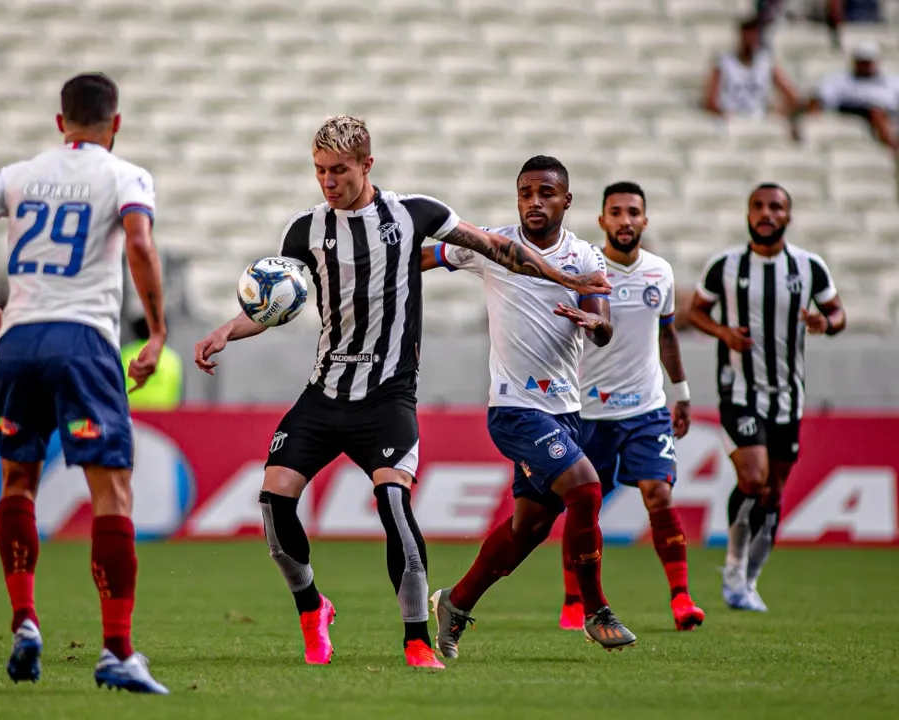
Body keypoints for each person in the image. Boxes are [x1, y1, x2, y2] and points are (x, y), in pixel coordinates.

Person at [192, 117, 611, 670]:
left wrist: (569, 280)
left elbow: (497, 247)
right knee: (273, 503)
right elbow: (275, 302)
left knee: (393, 501)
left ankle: (416, 638)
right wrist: (228, 329)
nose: (328, 182)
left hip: (389, 397)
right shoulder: (303, 230)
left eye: (339, 170)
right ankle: (313, 607)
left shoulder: (414, 214)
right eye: (319, 171)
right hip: (324, 392)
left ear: (367, 164)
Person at [0, 73, 169, 693]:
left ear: (59, 121)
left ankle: (25, 622)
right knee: (113, 494)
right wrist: (159, 330)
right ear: (114, 126)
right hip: (83, 341)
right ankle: (117, 651)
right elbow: (140, 243)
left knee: (18, 482)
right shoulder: (125, 176)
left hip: (18, 342)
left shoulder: (18, 174)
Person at [423, 155, 637, 658]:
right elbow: (428, 258)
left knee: (531, 526)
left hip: (564, 411)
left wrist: (593, 325)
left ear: (566, 200)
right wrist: (374, 276)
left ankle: (455, 602)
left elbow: (603, 321)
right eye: (525, 193)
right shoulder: (493, 246)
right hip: (514, 409)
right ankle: (596, 611)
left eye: (545, 193)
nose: (534, 202)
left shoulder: (584, 257)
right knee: (586, 488)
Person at [689, 183, 846, 612]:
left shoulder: (809, 267)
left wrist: (824, 323)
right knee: (753, 478)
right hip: (740, 390)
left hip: (788, 398)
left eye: (775, 207)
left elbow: (838, 313)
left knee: (773, 493)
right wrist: (723, 332)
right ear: (747, 214)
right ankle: (734, 567)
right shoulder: (725, 266)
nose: (766, 213)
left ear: (787, 217)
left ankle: (747, 580)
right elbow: (695, 312)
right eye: (758, 206)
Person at [559, 182, 704, 634]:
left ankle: (681, 598)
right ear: (602, 220)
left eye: (633, 212)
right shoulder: (585, 270)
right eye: (616, 212)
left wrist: (680, 392)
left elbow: (667, 335)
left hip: (646, 407)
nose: (625, 220)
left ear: (645, 219)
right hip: (588, 411)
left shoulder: (659, 272)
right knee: (583, 508)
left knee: (658, 493)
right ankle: (572, 599)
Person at [704, 16, 801, 137]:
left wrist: (779, 111)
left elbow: (792, 96)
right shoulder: (724, 63)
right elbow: (710, 101)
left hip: (759, 119)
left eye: (754, 35)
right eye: (748, 34)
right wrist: (722, 113)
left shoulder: (766, 63)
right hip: (731, 119)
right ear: (741, 36)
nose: (751, 39)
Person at [808, 41, 899, 157]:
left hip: (889, 114)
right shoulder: (840, 80)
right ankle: (893, 151)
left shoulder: (892, 82)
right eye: (862, 62)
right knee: (876, 112)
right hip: (853, 111)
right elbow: (818, 99)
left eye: (868, 62)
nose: (866, 66)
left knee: (880, 113)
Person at [121, 315, 183, 409]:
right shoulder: (171, 357)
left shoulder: (125, 354)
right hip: (163, 414)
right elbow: (176, 392)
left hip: (132, 414)